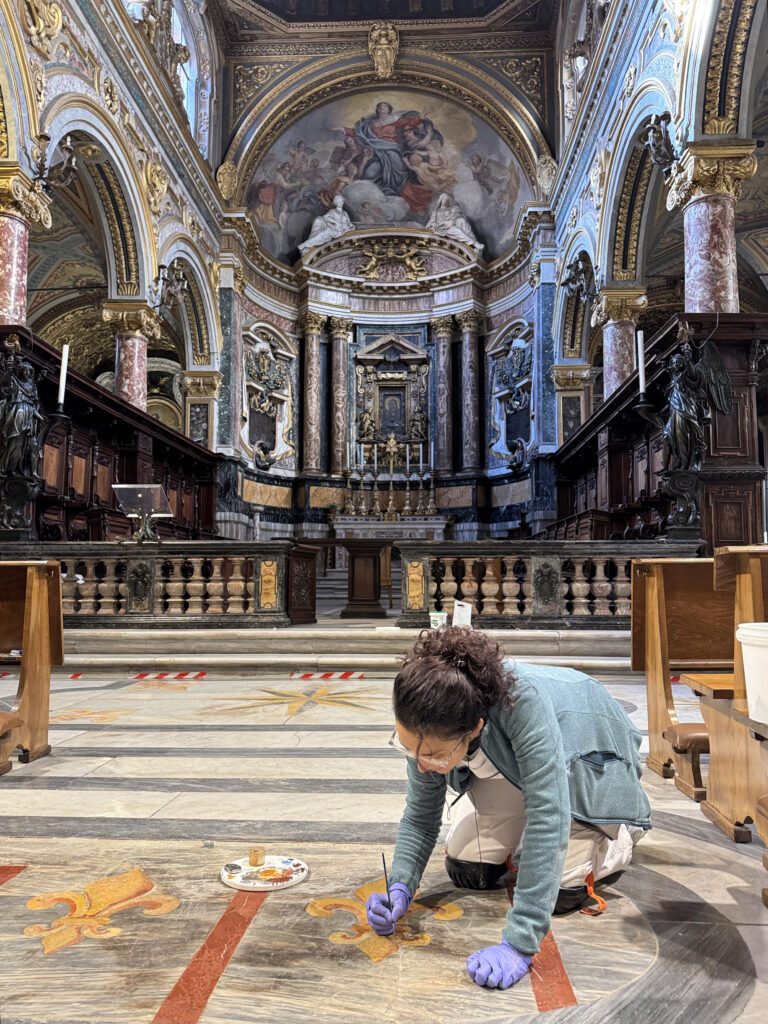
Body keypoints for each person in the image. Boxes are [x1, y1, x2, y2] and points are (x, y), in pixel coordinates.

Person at [366, 627, 650, 990]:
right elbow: (420, 818)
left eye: (434, 756)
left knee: (562, 891)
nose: (421, 765)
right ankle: (526, 835)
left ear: (474, 730)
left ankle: (621, 833)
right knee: (469, 869)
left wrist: (519, 944)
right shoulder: (428, 712)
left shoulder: (523, 703)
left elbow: (548, 816)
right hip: (512, 768)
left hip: (585, 759)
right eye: (408, 749)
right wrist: (400, 885)